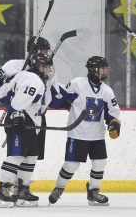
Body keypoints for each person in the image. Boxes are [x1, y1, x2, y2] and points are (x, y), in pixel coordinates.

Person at [48, 56, 121, 206]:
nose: (105, 71)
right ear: (93, 70)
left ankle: (93, 192)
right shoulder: (77, 84)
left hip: (97, 136)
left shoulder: (107, 91)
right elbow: (61, 98)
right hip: (77, 134)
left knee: (100, 163)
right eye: (102, 69)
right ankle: (59, 188)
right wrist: (52, 90)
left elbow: (112, 112)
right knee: (71, 165)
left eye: (105, 68)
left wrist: (114, 124)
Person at [0, 52, 55, 208]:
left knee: (31, 155)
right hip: (21, 119)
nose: (48, 70)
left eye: (48, 67)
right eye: (45, 67)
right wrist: (16, 114)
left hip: (29, 121)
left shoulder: (24, 75)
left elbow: (1, 95)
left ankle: (22, 191)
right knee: (16, 155)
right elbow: (17, 103)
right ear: (37, 67)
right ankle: (3, 192)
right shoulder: (34, 81)